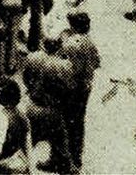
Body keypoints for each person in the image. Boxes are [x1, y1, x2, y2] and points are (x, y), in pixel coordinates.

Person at [21, 36, 76, 175]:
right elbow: (69, 89)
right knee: (60, 141)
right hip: (52, 109)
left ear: (43, 44)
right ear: (59, 47)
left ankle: (23, 168)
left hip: (32, 104)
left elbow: (25, 78)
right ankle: (63, 166)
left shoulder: (32, 57)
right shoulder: (64, 65)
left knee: (26, 142)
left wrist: (33, 89)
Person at [57, 13, 101, 170]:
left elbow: (62, 65)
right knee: (78, 123)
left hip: (71, 88)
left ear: (73, 26)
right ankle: (76, 159)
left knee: (65, 123)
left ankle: (65, 161)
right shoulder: (90, 42)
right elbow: (97, 63)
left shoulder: (71, 44)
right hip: (85, 88)